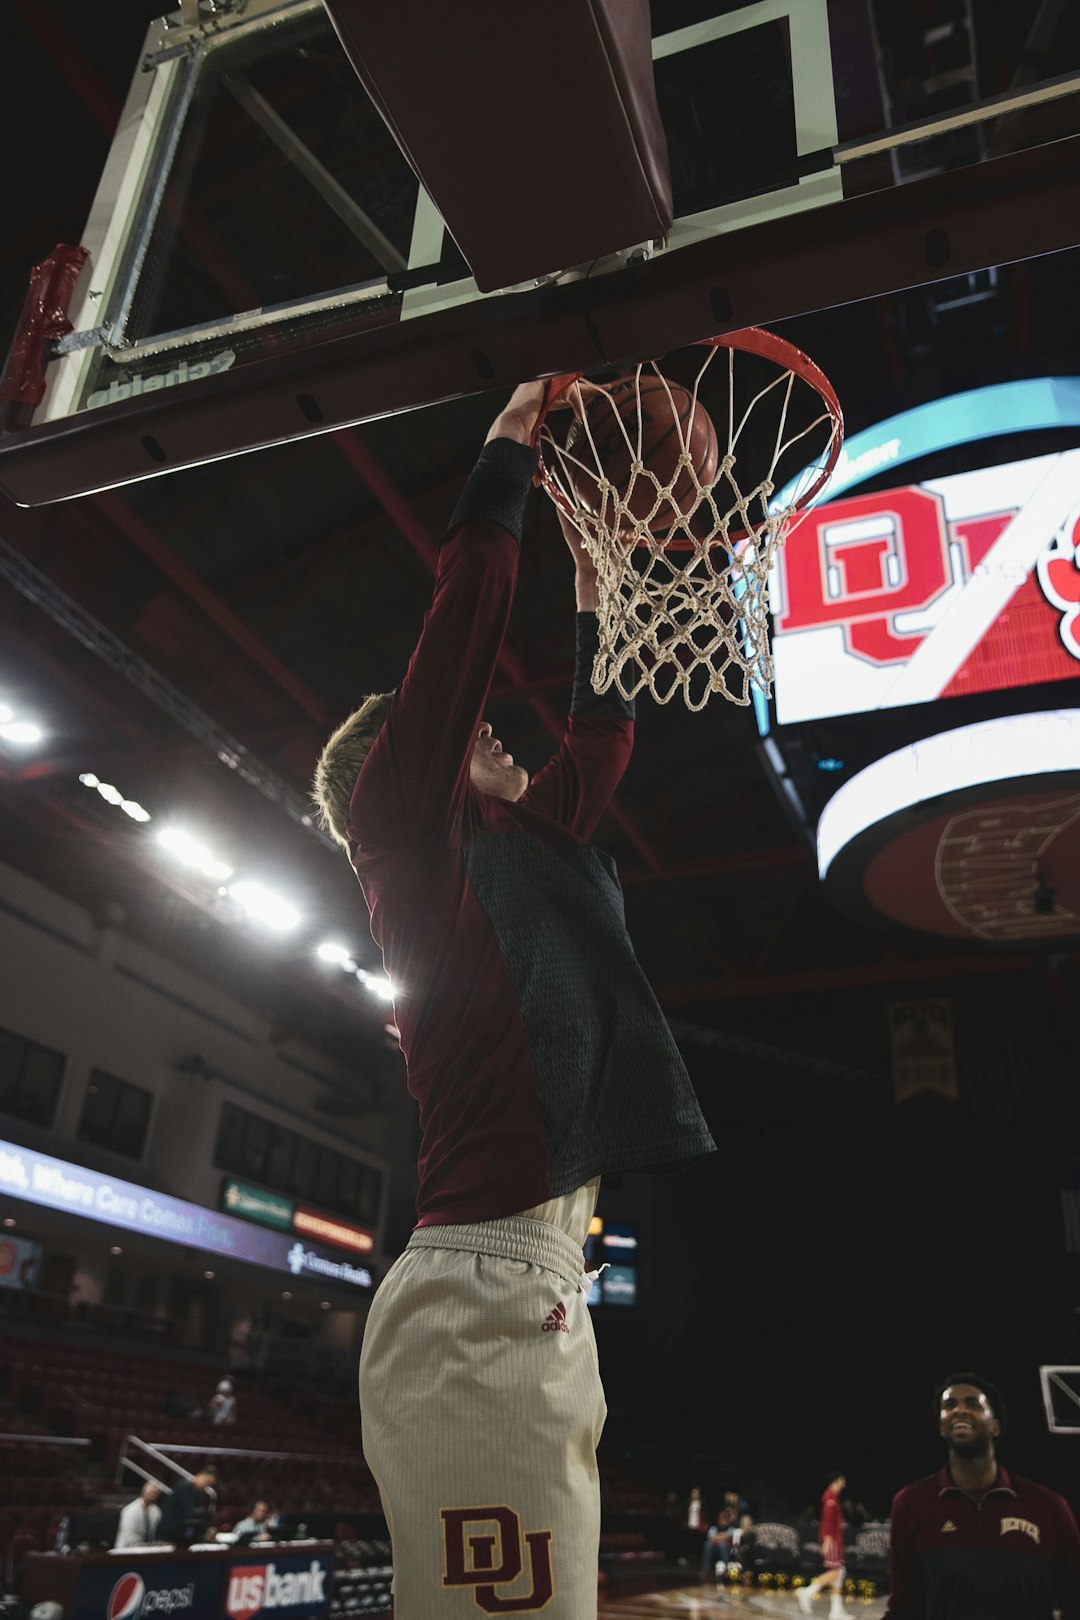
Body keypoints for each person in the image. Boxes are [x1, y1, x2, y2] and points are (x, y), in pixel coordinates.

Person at [311, 382, 716, 1619]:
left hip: (535, 1291)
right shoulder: (401, 838)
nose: (497, 729)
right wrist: (507, 461)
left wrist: (601, 589)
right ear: (417, 773)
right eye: (477, 735)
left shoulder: (509, 870)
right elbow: (462, 634)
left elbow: (599, 749)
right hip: (475, 1304)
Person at [884, 1371, 1080, 1618]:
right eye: (950, 1405)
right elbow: (904, 1608)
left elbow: (1075, 1600)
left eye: (973, 1404)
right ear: (942, 1427)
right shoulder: (911, 1504)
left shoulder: (1048, 1506)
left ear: (994, 1426)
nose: (959, 1410)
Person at [799, 1471, 851, 1617]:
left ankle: (836, 1612)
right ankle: (807, 1592)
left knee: (840, 1573)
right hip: (832, 1540)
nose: (844, 1481)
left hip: (835, 1540)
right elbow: (827, 1520)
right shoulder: (830, 1497)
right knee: (837, 1571)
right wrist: (827, 1540)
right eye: (842, 1479)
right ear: (837, 1480)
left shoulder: (833, 1497)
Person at [156, 1465, 218, 1546]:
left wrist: (207, 1527)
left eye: (209, 1484)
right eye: (207, 1482)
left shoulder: (199, 1493)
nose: (206, 1486)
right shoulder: (185, 1487)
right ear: (199, 1476)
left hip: (180, 1534)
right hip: (168, 1533)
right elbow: (191, 1512)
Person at [114, 1481, 161, 1549]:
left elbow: (153, 1533)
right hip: (126, 1549)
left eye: (155, 1493)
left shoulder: (156, 1510)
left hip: (147, 1549)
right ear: (143, 1492)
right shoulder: (130, 1510)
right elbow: (130, 1537)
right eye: (151, 1492)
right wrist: (145, 1547)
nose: (153, 1495)